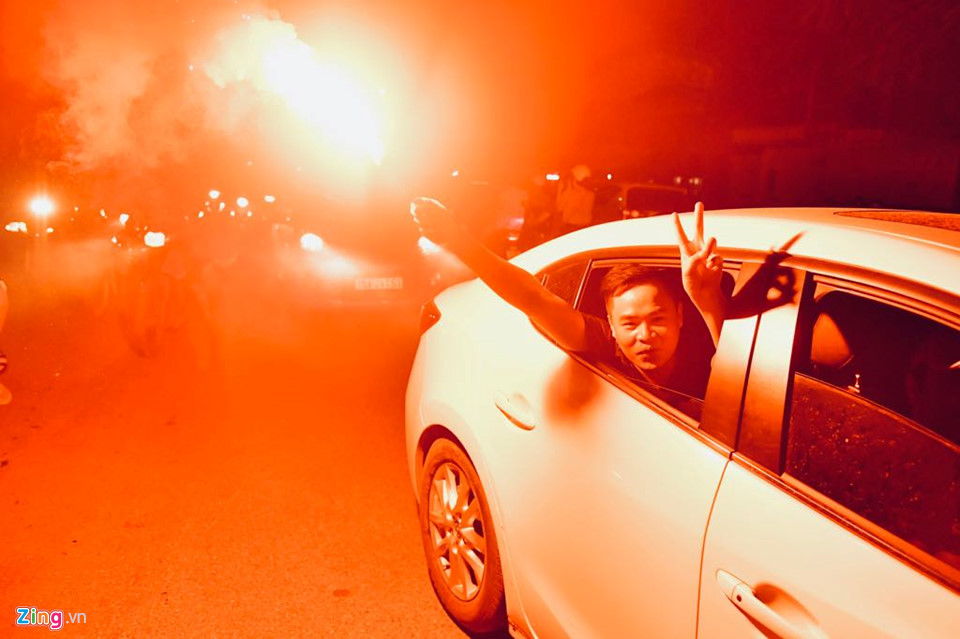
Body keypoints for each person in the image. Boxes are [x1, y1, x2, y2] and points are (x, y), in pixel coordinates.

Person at [410, 198, 726, 399]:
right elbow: (532, 298)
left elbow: (738, 368)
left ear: (680, 316)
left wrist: (708, 297)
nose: (645, 335)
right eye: (630, 323)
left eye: (658, 319)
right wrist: (460, 241)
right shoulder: (605, 345)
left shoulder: (702, 351)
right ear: (611, 324)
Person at [555, 164, 596, 233]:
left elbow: (562, 212)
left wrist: (560, 191)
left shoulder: (575, 193)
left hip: (573, 228)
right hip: (585, 228)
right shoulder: (590, 193)